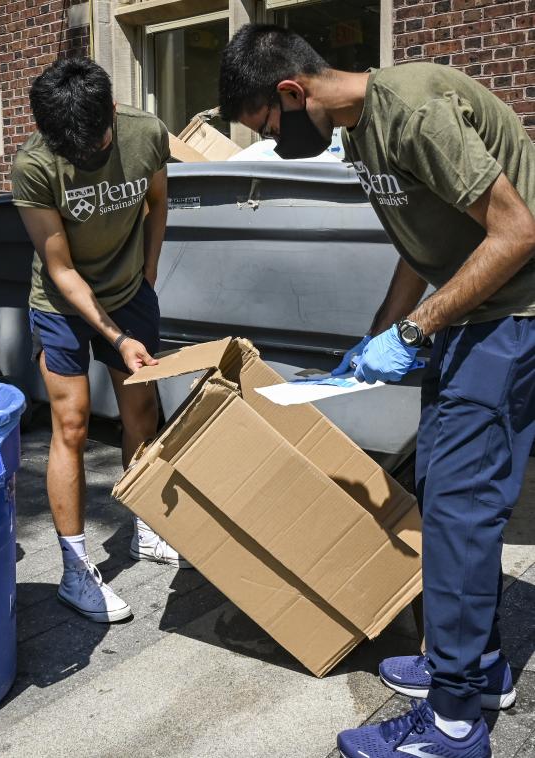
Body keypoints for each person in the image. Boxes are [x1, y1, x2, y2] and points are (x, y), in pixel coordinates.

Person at [219, 23, 535, 758]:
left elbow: (517, 232)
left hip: (512, 316)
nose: (269, 140)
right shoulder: (359, 131)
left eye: (265, 123)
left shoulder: (412, 108)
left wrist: (415, 333)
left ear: (292, 91)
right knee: (443, 488)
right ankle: (477, 667)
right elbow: (419, 246)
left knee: (459, 509)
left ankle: (455, 724)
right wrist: (376, 336)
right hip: (468, 317)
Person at [12, 57, 190, 625]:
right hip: (63, 305)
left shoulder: (145, 133)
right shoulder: (35, 165)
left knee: (142, 409)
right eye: (73, 150)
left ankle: (146, 527)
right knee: (73, 425)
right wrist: (115, 334)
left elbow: (158, 201)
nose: (85, 156)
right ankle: (75, 570)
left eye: (95, 144)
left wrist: (150, 270)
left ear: (112, 110)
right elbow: (60, 268)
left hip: (128, 287)